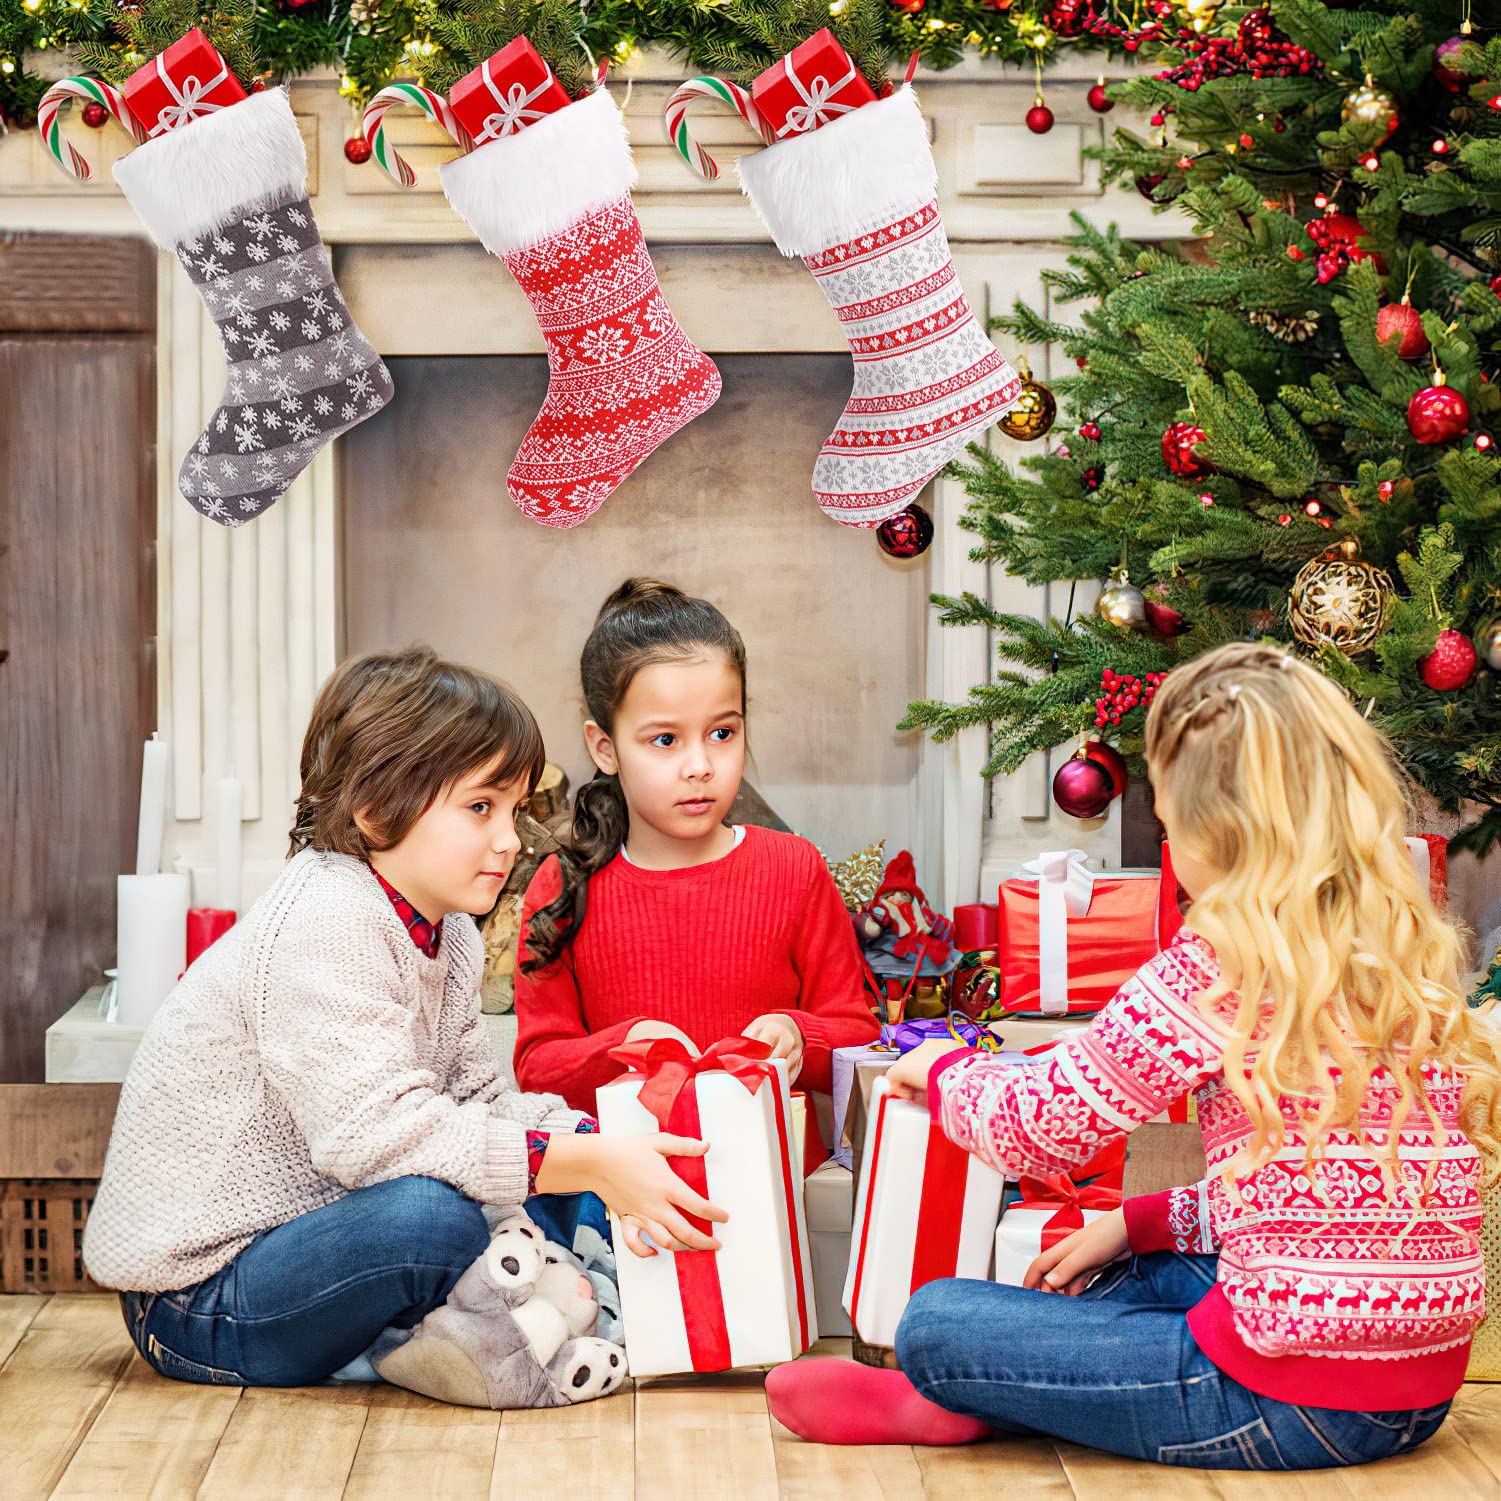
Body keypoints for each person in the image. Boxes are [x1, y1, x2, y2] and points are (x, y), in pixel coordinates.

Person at [767, 641, 1495, 1471]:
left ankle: (961, 1394)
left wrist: (938, 1065)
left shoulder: (1222, 956)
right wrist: (1139, 1221)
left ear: (1213, 831)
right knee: (1120, 1272)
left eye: (1170, 825)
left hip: (1286, 1398)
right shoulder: (1391, 950)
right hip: (1418, 1389)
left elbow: (1035, 1128)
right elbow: (1322, 1202)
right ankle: (1052, 1380)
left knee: (936, 1320)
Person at [84, 645, 725, 1387]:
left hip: (305, 1245)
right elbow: (372, 1137)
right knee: (431, 1219)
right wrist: (568, 1157)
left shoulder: (443, 926)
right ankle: (481, 1326)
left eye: (514, 810)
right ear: (375, 807)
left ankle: (493, 1317)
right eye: (481, 807)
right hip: (199, 1300)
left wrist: (590, 1138)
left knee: (560, 1162)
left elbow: (478, 1104)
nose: (511, 838)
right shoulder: (324, 916)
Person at [513, 578, 877, 1161]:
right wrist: (624, 1047)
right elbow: (538, 1067)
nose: (700, 766)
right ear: (604, 748)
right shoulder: (561, 886)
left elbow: (857, 1030)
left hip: (778, 1195)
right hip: (625, 1205)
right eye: (664, 739)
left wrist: (797, 1037)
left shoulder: (794, 868)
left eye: (722, 733)